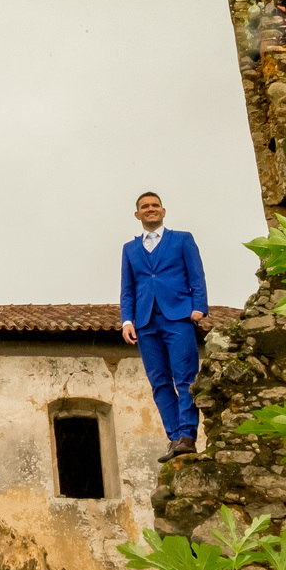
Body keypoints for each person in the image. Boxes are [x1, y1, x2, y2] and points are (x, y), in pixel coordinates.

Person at [120, 191, 208, 463]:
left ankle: (187, 436)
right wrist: (126, 320)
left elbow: (197, 274)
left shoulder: (182, 239)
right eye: (145, 207)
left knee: (185, 378)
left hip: (178, 315)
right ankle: (173, 438)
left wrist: (199, 306)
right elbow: (128, 288)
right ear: (137, 214)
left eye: (155, 205)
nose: (151, 209)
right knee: (159, 382)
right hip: (145, 321)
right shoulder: (130, 248)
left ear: (163, 211)